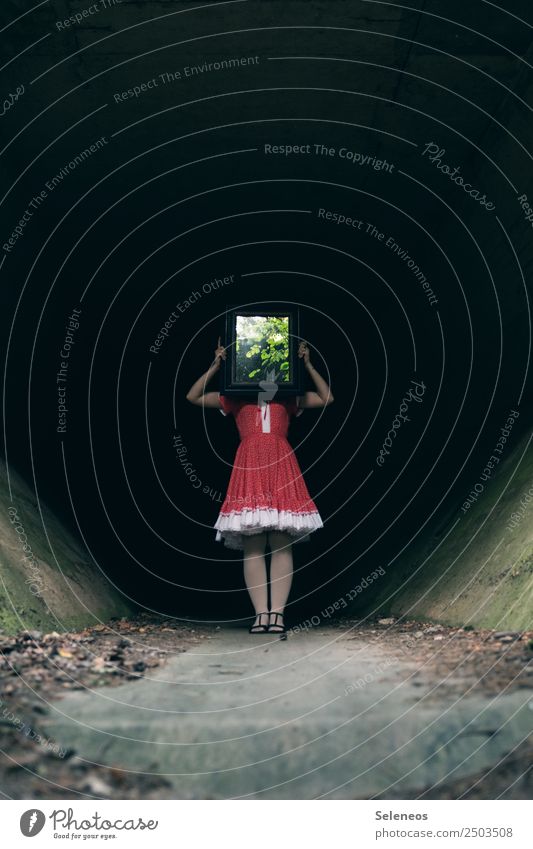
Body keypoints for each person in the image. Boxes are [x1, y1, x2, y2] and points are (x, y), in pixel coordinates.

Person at [186, 338, 334, 636]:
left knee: (280, 541)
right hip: (250, 464)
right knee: (253, 543)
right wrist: (215, 365)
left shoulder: (286, 396)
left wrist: (307, 365)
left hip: (280, 464)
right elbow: (194, 396)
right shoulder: (235, 397)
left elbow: (326, 397)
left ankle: (277, 615)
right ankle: (260, 615)